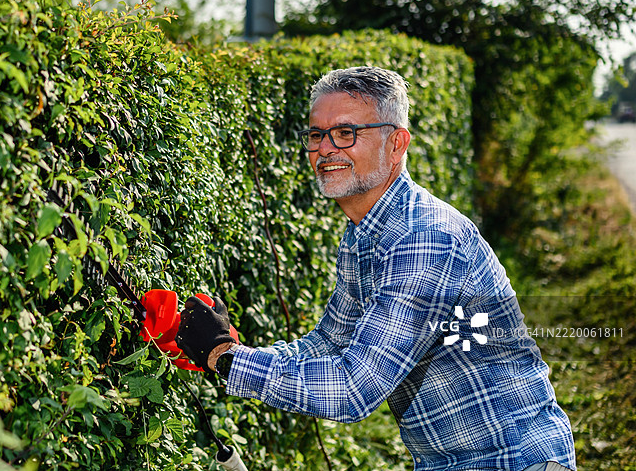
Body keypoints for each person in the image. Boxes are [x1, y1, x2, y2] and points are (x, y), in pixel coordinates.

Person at [175, 66, 576, 471]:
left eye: (346, 133)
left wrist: (225, 358)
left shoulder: (426, 239)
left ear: (396, 143)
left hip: (512, 460)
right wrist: (230, 350)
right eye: (317, 135)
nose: (326, 149)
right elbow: (329, 344)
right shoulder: (363, 236)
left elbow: (354, 388)